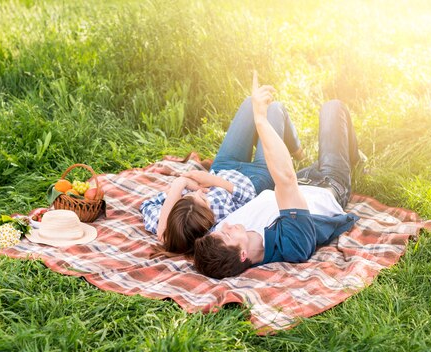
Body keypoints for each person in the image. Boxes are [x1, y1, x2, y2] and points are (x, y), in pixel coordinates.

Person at [193, 72, 362, 279]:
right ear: (243, 254)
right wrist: (261, 120)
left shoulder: (219, 240)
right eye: (228, 234)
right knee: (332, 109)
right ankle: (356, 160)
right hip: (328, 184)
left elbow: (174, 232)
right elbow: (286, 180)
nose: (226, 225)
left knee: (332, 141)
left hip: (300, 178)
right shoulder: (292, 244)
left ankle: (350, 155)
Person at [140, 93, 305, 256]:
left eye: (189, 196)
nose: (198, 192)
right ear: (208, 220)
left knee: (250, 103)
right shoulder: (217, 226)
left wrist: (180, 185)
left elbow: (148, 205)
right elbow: (251, 197)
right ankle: (298, 152)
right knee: (275, 109)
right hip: (256, 178)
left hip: (223, 166)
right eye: (203, 200)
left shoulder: (178, 224)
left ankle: (289, 146)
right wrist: (214, 181)